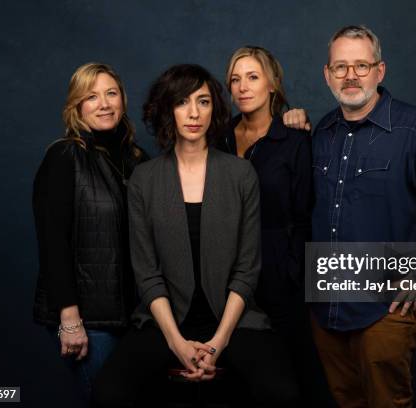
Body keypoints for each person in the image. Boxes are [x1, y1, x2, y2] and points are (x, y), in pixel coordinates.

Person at [92, 64, 299, 407]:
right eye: (182, 102)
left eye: (203, 102)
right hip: (165, 321)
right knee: (108, 394)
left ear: (214, 109)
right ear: (166, 110)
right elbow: (146, 273)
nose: (193, 113)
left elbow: (247, 269)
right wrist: (176, 342)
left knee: (283, 393)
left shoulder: (240, 173)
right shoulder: (145, 178)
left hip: (233, 317)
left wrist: (217, 343)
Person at [308, 25, 416, 407]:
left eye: (361, 66)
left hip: (385, 309)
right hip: (327, 309)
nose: (350, 76)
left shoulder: (414, 129)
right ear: (327, 74)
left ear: (380, 71)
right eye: (340, 67)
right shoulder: (322, 132)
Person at [219, 46, 332, 406]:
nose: (242, 87)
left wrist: (294, 272)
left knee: (292, 373)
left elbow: (305, 215)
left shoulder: (294, 139)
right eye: (235, 79)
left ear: (272, 84)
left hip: (280, 274)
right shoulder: (216, 138)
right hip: (224, 274)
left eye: (252, 77)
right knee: (236, 375)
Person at [32, 62, 147, 400]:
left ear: (123, 100)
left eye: (111, 93)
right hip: (89, 320)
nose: (104, 104)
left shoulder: (135, 159)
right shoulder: (66, 156)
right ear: (77, 106)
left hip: (131, 314)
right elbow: (53, 242)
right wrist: (70, 320)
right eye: (92, 96)